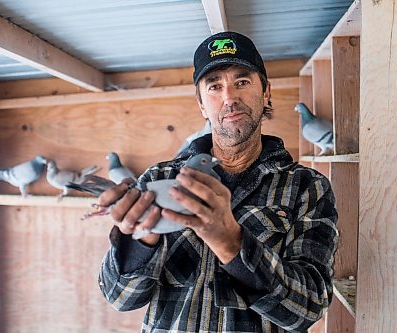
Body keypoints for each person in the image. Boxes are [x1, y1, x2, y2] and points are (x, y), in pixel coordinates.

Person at [97, 31, 338, 333]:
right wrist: (140, 239)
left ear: (265, 93)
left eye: (242, 82)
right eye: (214, 87)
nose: (229, 98)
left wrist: (230, 241)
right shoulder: (159, 179)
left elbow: (307, 309)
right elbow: (118, 297)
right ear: (201, 105)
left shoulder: (307, 187)